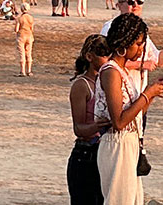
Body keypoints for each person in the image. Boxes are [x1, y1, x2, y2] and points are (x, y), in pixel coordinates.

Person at [96, 14, 163, 205]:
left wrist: (153, 93)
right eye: (138, 44)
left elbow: (136, 114)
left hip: (130, 143)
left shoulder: (123, 73)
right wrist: (146, 94)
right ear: (123, 43)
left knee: (133, 200)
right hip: (117, 145)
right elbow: (119, 121)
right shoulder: (111, 72)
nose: (141, 50)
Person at [65, 34, 111, 205]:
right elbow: (78, 128)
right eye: (103, 54)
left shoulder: (107, 82)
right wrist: (97, 126)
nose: (107, 58)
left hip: (104, 154)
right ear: (90, 57)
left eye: (109, 54)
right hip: (86, 156)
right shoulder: (81, 85)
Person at [98, 0, 163, 73]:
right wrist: (139, 64)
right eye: (130, 1)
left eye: (140, 1)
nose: (135, 5)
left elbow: (159, 61)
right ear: (119, 6)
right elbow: (103, 60)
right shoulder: (111, 27)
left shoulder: (140, 30)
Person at [15, 2, 37, 77]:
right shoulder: (31, 18)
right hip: (29, 36)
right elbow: (32, 28)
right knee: (29, 53)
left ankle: (22, 71)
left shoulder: (19, 18)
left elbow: (16, 29)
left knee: (22, 54)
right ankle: (29, 71)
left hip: (21, 36)